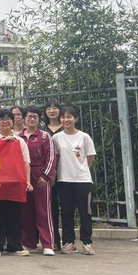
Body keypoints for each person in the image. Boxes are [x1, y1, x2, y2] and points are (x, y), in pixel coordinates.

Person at [0, 109, 33, 257]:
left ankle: (15, 246)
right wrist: (2, 143)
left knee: (14, 214)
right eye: (1, 119)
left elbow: (26, 162)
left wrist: (27, 181)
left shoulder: (20, 141)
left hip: (15, 182)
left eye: (8, 119)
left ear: (13, 122)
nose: (5, 121)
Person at [52, 107, 97, 255]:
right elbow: (55, 158)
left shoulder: (84, 137)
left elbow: (90, 157)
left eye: (69, 117)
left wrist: (81, 169)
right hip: (64, 180)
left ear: (75, 118)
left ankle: (87, 242)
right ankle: (69, 242)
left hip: (82, 180)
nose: (66, 120)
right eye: (63, 117)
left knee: (85, 213)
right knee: (66, 213)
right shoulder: (56, 138)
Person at [18, 106, 57, 256]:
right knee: (25, 211)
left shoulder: (45, 136)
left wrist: (46, 176)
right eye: (29, 117)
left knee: (43, 211)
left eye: (35, 117)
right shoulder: (18, 137)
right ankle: (29, 242)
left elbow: (51, 157)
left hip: (40, 174)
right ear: (24, 118)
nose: (32, 119)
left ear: (39, 119)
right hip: (23, 176)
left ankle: (47, 244)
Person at [42, 99, 64, 251]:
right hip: (49, 174)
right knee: (51, 207)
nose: (52, 110)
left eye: (55, 108)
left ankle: (69, 240)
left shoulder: (66, 127)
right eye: (49, 108)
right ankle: (54, 239)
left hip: (66, 171)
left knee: (67, 207)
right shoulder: (42, 130)